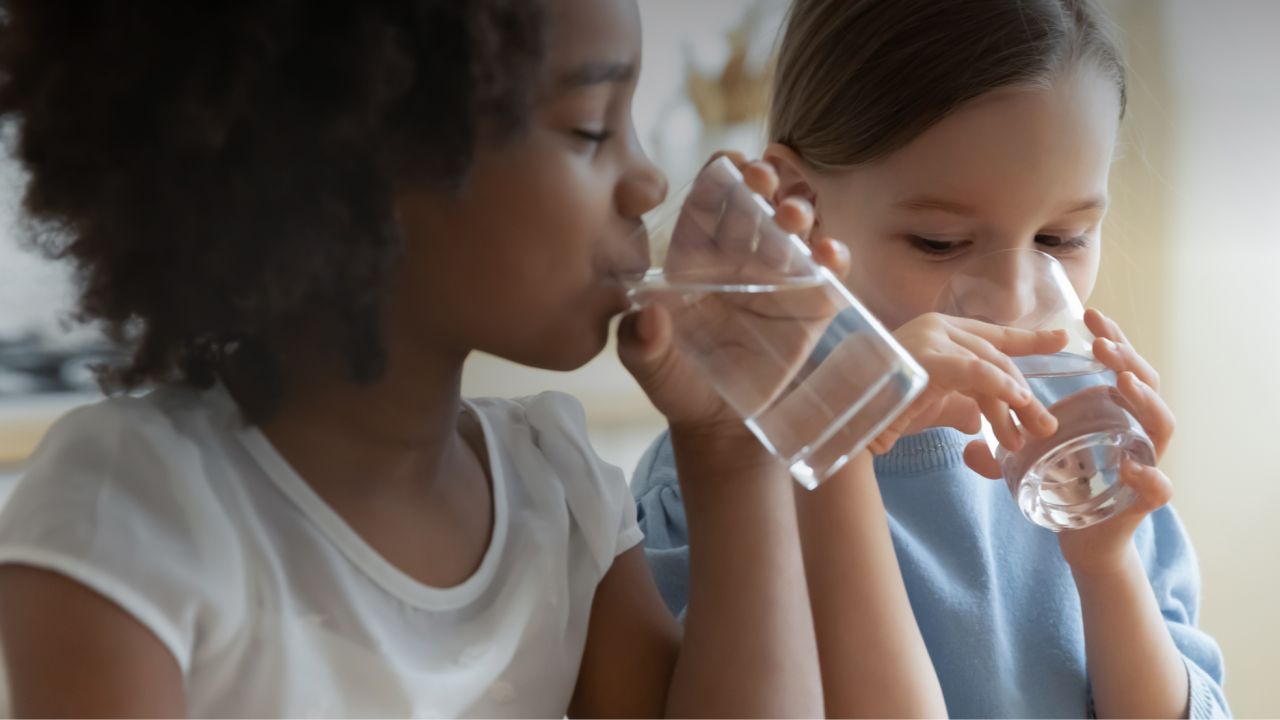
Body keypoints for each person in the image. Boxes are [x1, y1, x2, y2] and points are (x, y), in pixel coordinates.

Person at [634, 0, 1231, 716]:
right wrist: (840, 426)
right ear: (802, 204)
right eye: (940, 243)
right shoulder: (729, 472)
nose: (1014, 300)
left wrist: (1106, 568)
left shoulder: (1091, 469)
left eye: (1062, 239)